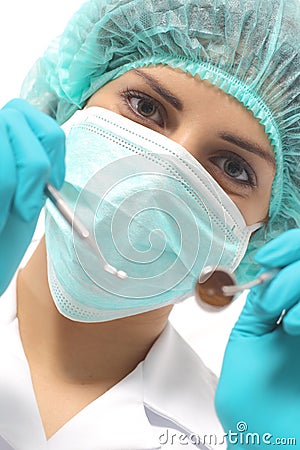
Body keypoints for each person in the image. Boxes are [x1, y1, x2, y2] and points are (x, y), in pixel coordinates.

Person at [0, 0, 299, 449]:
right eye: (145, 106)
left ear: (269, 228)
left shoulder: (237, 433)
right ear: (70, 103)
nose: (163, 173)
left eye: (233, 167)